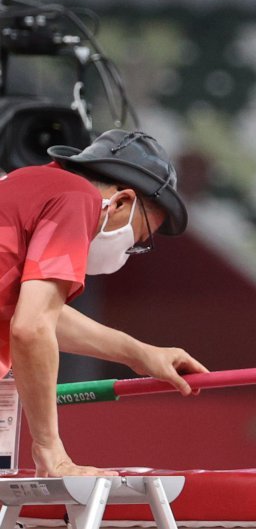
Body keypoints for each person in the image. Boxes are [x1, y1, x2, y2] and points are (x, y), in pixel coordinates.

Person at [2, 129, 208, 476]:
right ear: (122, 202)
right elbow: (32, 328)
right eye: (138, 240)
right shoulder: (76, 197)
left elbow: (36, 315)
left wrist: (139, 352)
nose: (129, 251)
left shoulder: (26, 185)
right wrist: (52, 453)